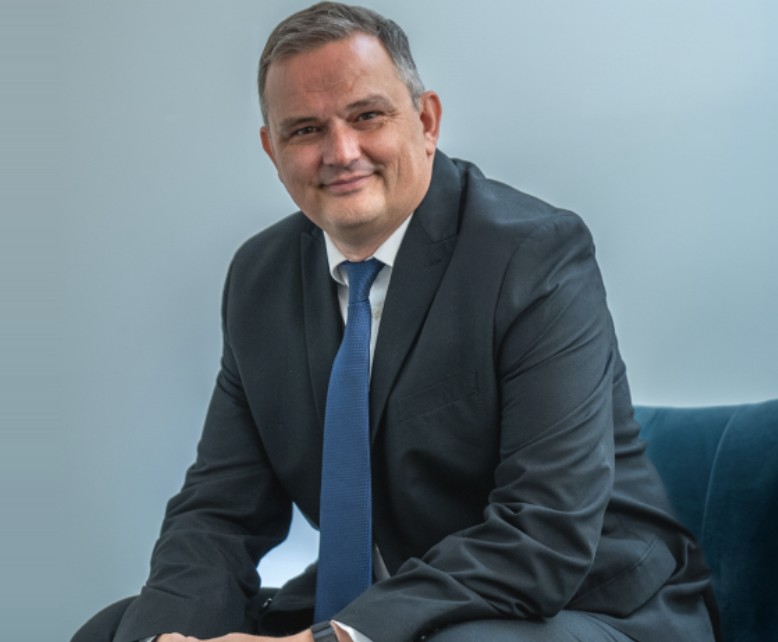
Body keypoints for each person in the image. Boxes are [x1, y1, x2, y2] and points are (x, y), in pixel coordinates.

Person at [72, 3, 721, 642]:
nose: (341, 151)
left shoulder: (535, 257)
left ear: (426, 120)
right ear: (272, 150)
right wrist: (170, 639)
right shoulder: (259, 277)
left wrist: (338, 640)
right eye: (305, 130)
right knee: (118, 630)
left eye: (367, 116)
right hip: (394, 602)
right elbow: (218, 513)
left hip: (581, 604)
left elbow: (543, 533)